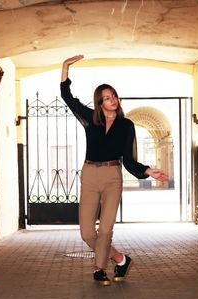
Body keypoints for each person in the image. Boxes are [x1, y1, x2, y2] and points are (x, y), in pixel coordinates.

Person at [60, 55, 168, 286]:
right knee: (88, 233)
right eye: (107, 98)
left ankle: (99, 269)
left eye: (114, 96)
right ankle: (120, 259)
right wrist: (65, 69)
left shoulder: (126, 125)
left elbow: (129, 160)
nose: (113, 100)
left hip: (112, 177)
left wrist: (148, 171)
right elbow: (67, 98)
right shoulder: (90, 119)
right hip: (89, 176)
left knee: (106, 229)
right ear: (99, 102)